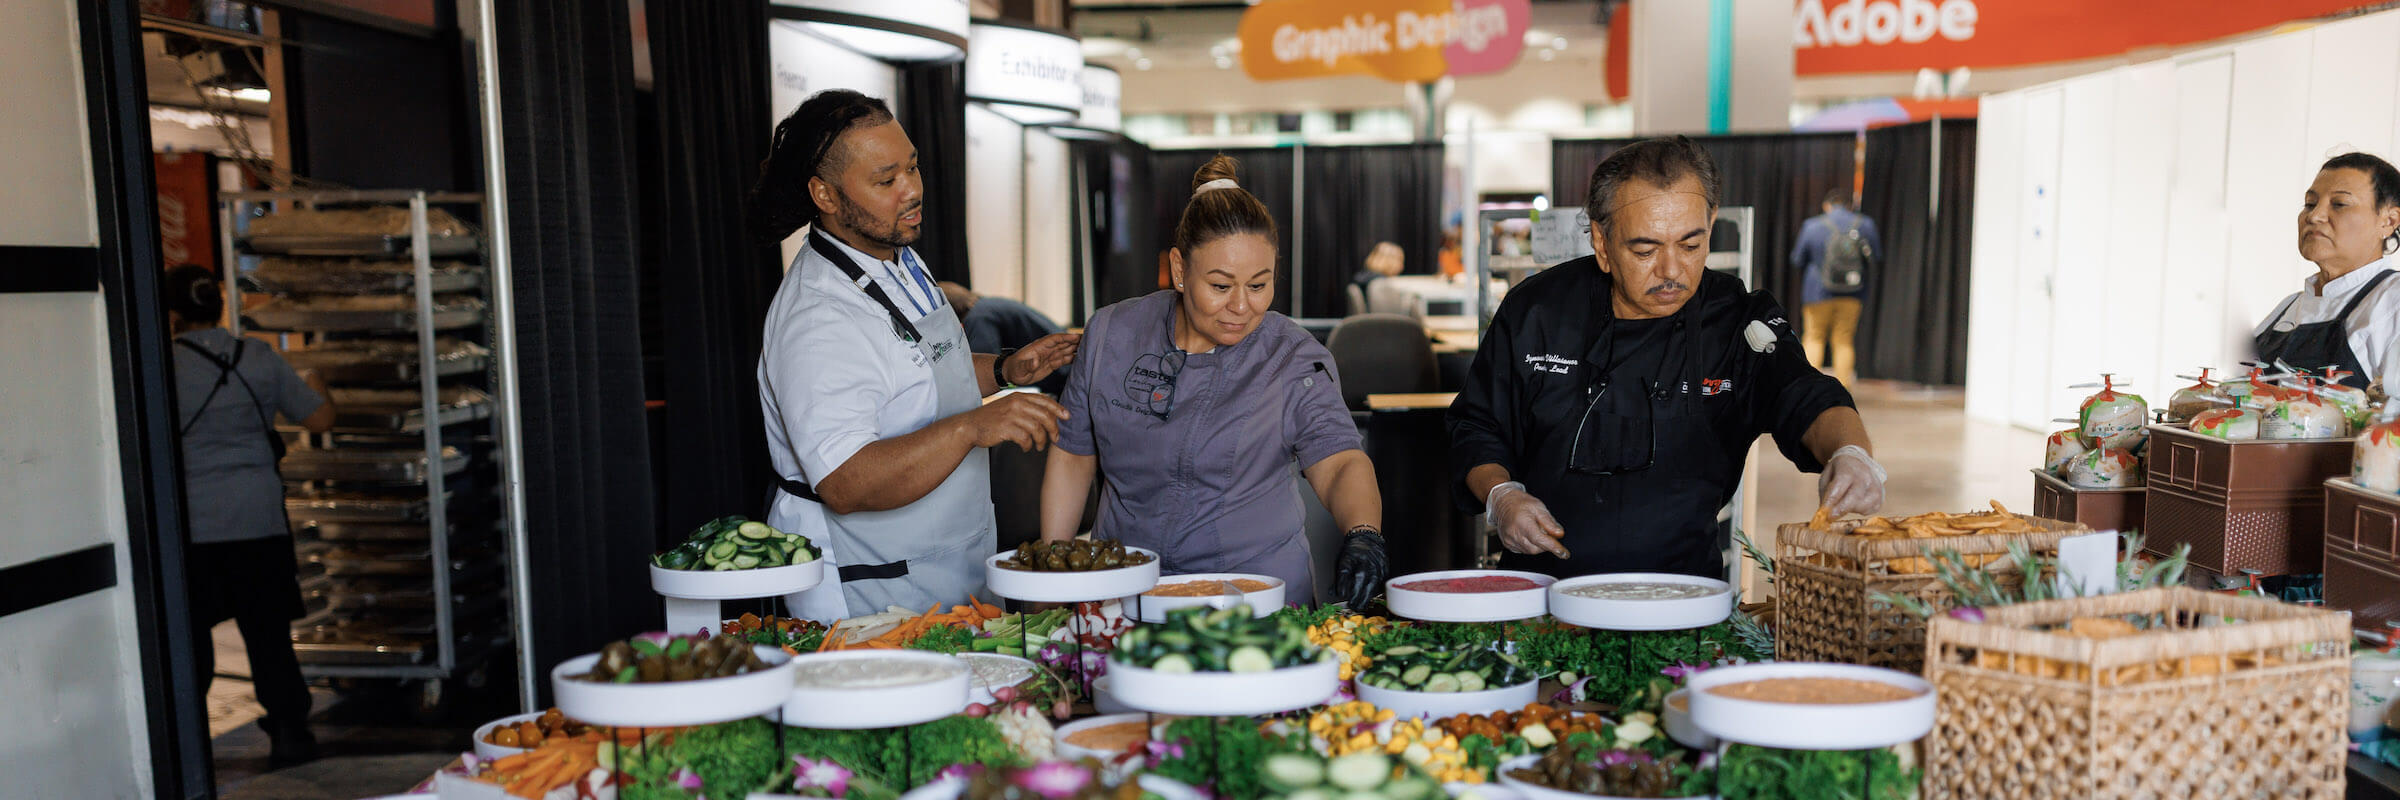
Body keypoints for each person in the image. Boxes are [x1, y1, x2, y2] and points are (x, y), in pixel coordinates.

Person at [1447, 137, 1886, 579]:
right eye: (1645, 250)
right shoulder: (1537, 310)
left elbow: (1803, 393)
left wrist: (1850, 453)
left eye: (1691, 245)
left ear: (1711, 223)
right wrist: (1501, 494)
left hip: (1683, 595)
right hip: (1541, 592)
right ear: (1601, 241)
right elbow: (1477, 425)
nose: (1672, 270)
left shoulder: (1737, 321)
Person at [751, 90, 1079, 621]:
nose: (913, 190)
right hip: (871, 576)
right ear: (826, 196)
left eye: (913, 166)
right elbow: (845, 481)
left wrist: (1003, 370)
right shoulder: (817, 318)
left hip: (946, 555)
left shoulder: (895, 253)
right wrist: (974, 427)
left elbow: (918, 371)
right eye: (886, 180)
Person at [1037, 156, 1389, 608]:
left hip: (1253, 600)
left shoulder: (1293, 356)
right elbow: (1073, 454)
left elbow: (1339, 461)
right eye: (1221, 286)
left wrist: (1363, 534)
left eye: (1259, 285)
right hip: (1124, 591)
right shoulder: (1112, 333)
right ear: (1180, 270)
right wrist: (1048, 577)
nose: (1242, 306)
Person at [164, 264, 335, 765]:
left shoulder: (158, 367)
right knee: (268, 634)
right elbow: (320, 417)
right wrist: (319, 381)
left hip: (192, 528)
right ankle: (289, 732)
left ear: (172, 314)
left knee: (190, 636)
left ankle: (187, 737)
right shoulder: (257, 357)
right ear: (217, 306)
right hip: (258, 521)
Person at [2254, 152, 2400, 388]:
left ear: (2389, 221)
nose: (2315, 215)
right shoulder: (2288, 307)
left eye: (2339, 204)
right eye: (2310, 204)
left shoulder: (2392, 303)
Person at [1791, 189, 1880, 387]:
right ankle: (1841, 394)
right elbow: (1876, 257)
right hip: (1853, 291)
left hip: (1817, 293)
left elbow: (1797, 259)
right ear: (1850, 206)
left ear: (1826, 206)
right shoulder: (1865, 224)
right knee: (1844, 340)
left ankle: (1809, 389)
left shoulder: (1811, 226)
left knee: (1814, 338)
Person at [937, 281, 1070, 395]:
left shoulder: (978, 317)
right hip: (1062, 369)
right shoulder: (987, 306)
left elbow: (985, 374)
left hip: (1059, 377)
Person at [1349, 241, 1404, 315]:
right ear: (1392, 261)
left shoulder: (1361, 278)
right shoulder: (1381, 285)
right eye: (1400, 261)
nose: (1402, 266)